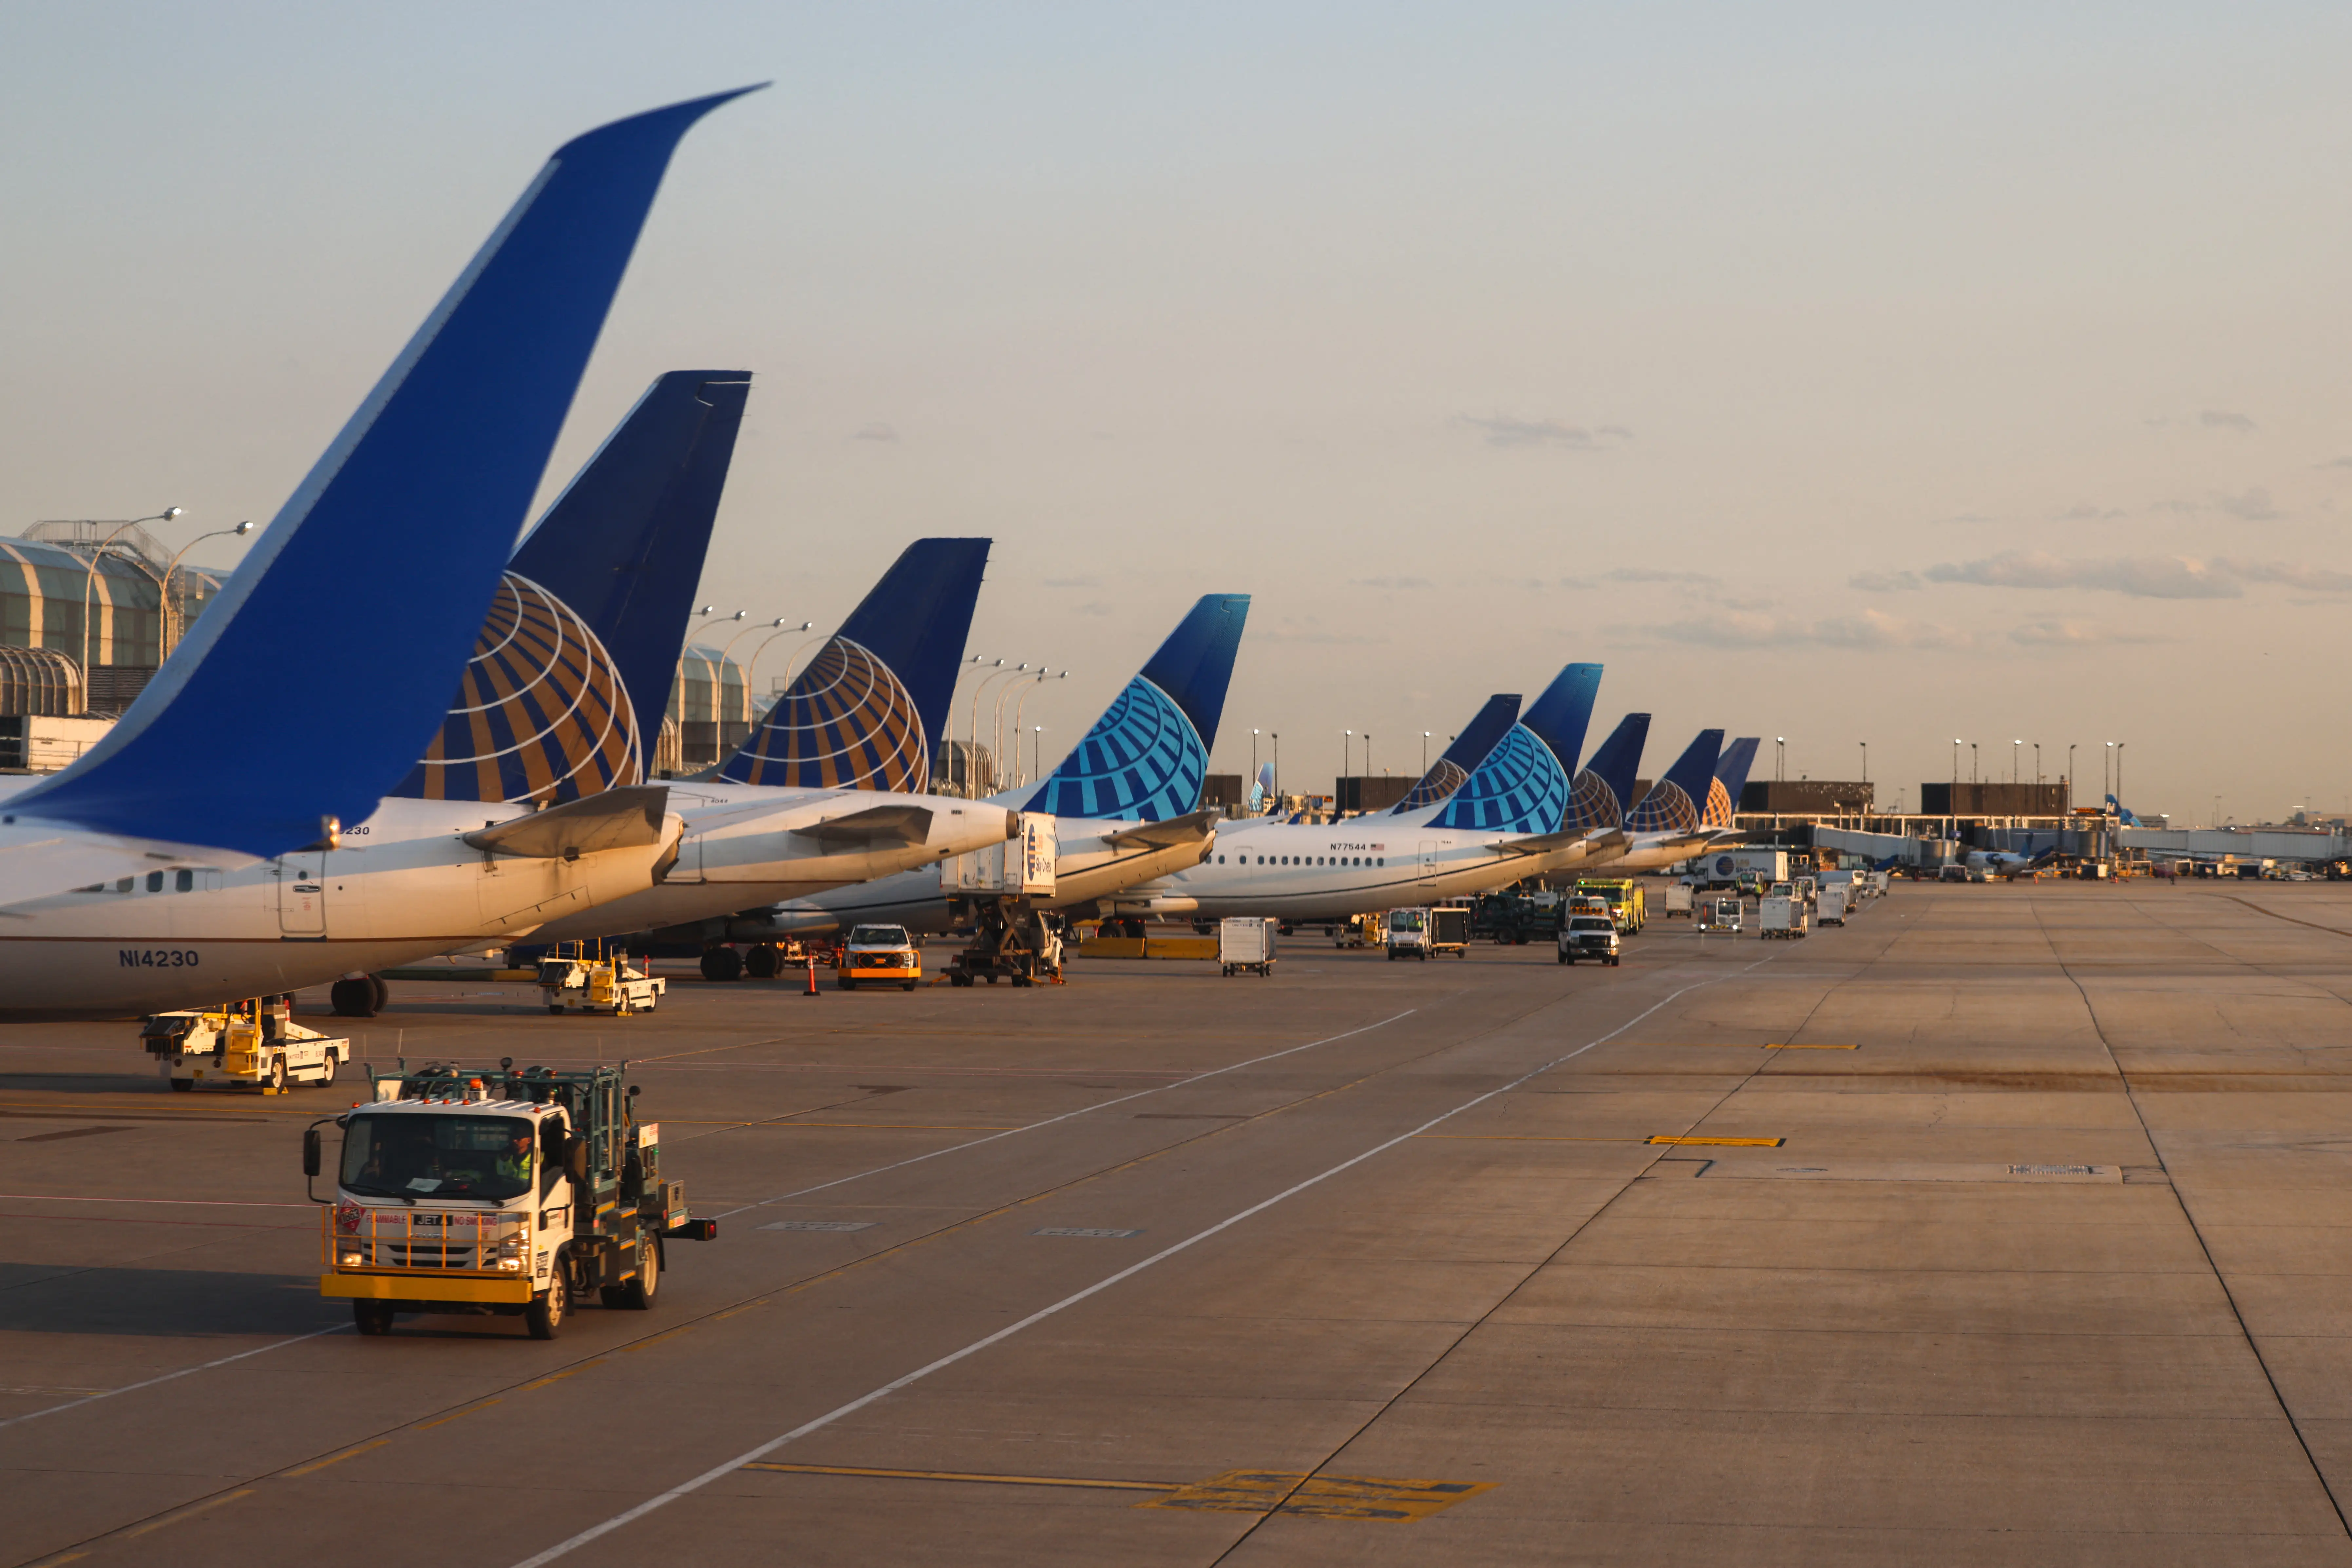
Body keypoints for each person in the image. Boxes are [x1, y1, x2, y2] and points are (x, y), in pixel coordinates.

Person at [497, 1123, 534, 1188]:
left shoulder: (538, 1158)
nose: (514, 1141)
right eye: (512, 1138)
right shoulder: (503, 1157)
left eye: (519, 1139)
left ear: (529, 1140)